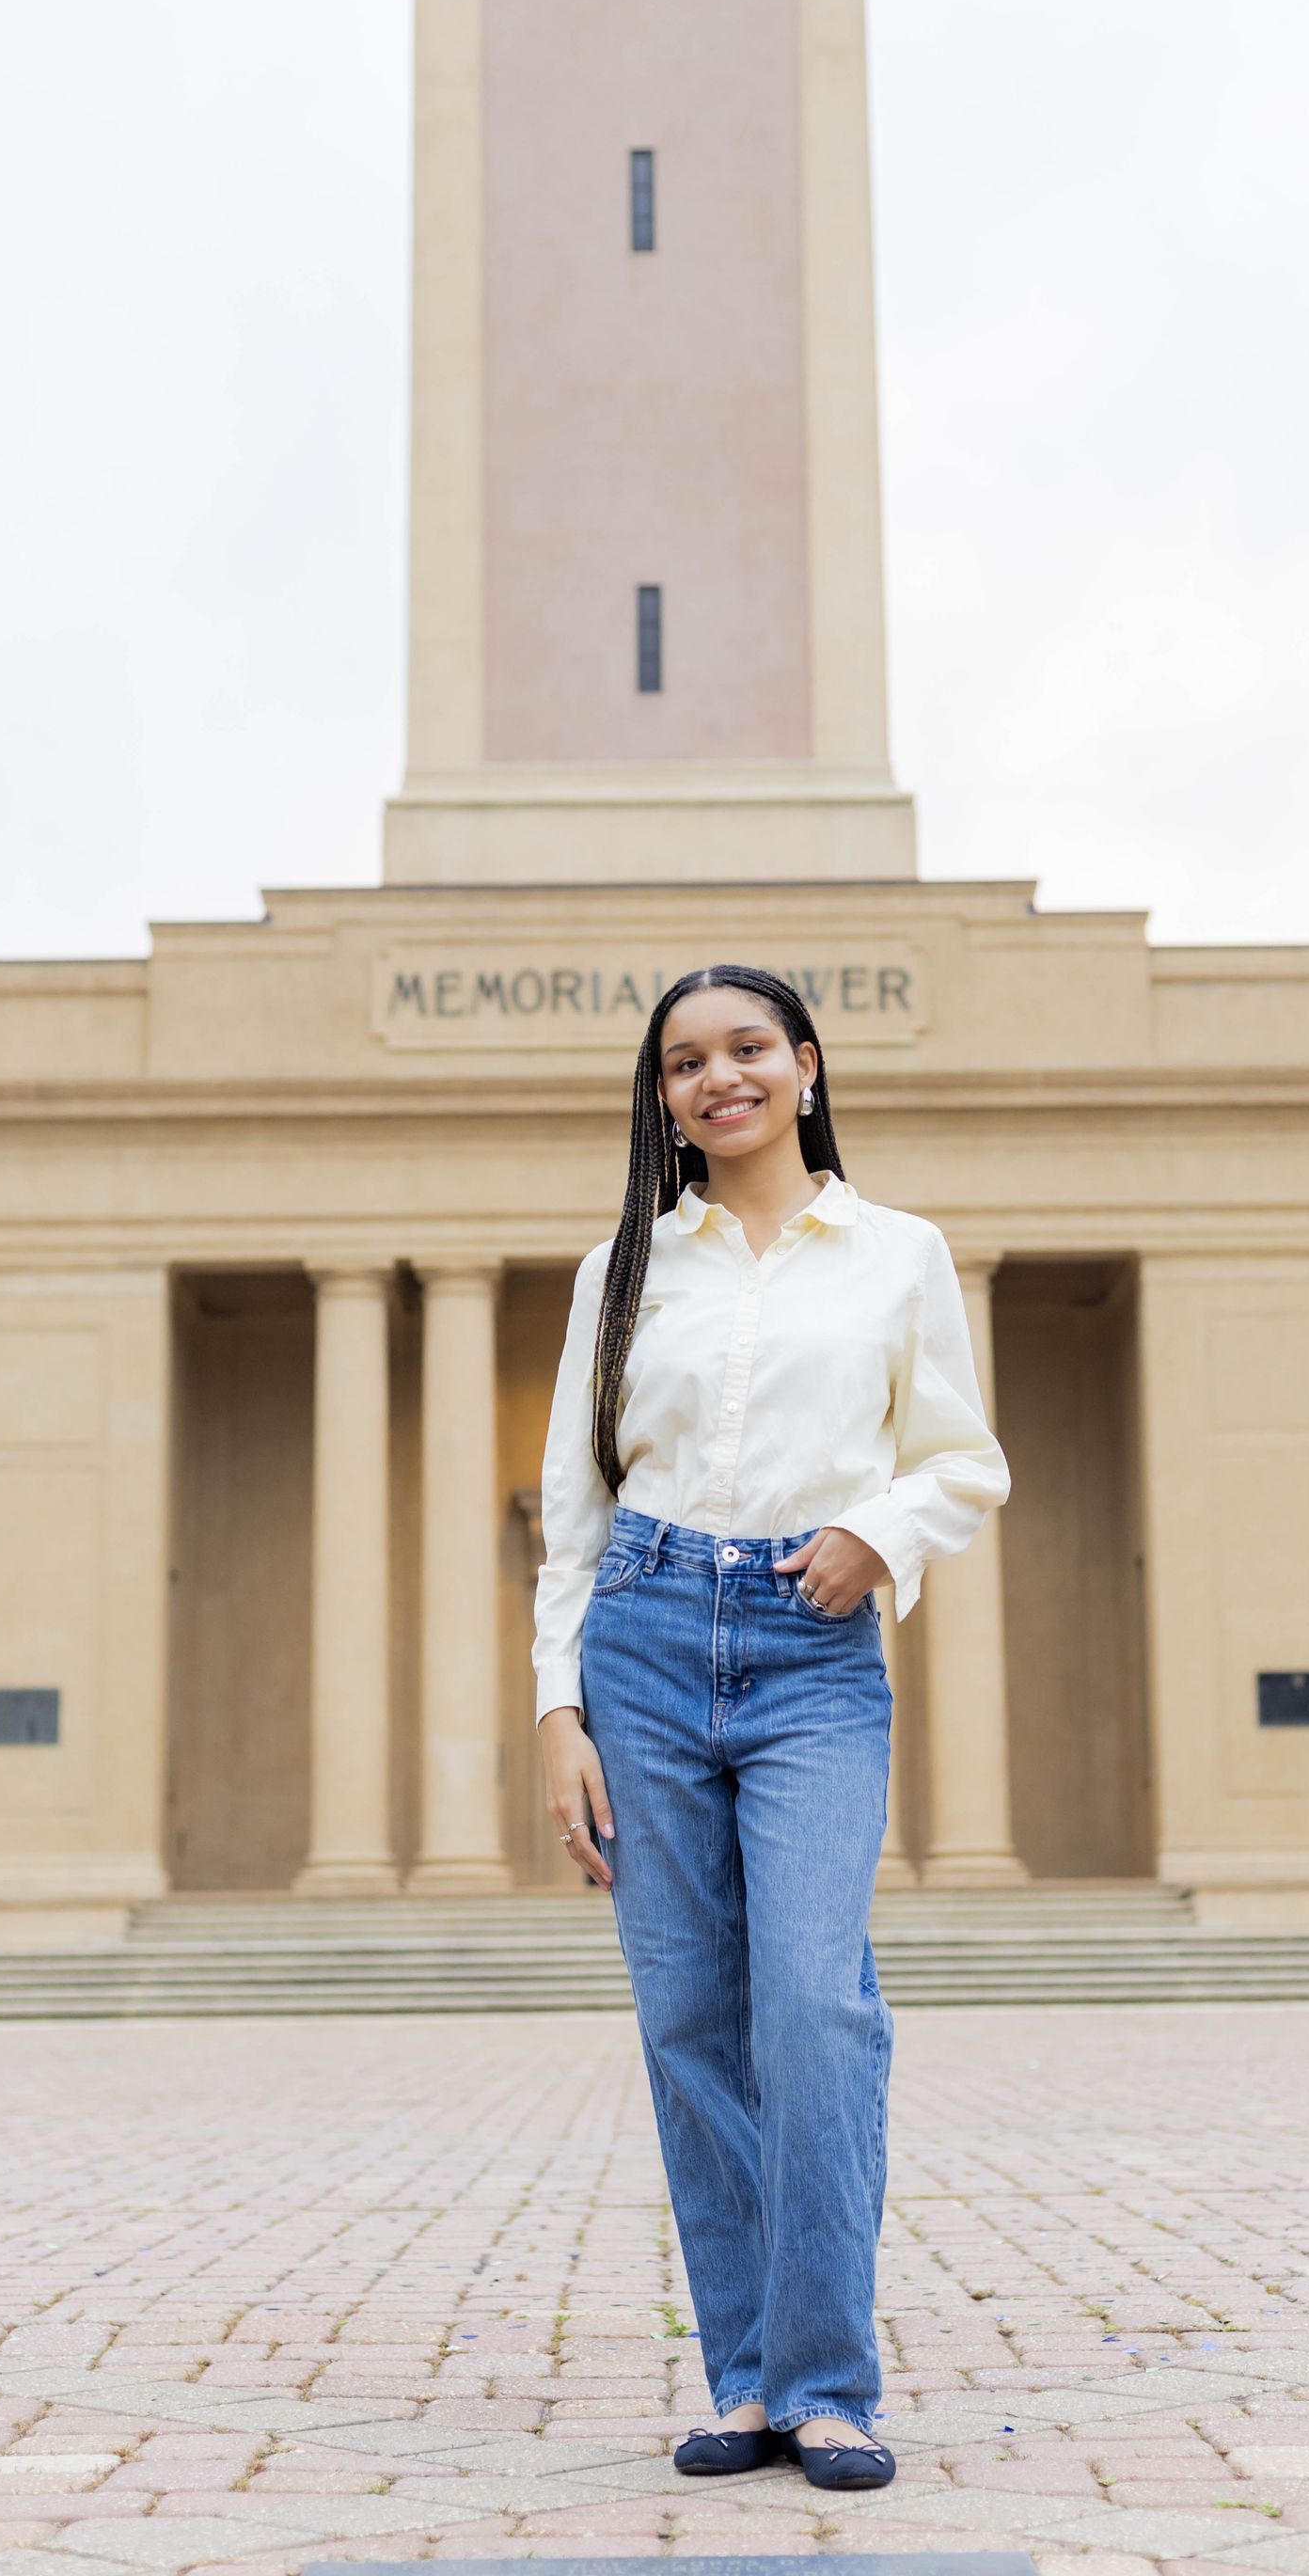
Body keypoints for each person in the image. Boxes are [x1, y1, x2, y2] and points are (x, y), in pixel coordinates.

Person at [533, 962, 1010, 2491]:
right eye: (684, 1062)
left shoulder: (896, 1253)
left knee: (812, 2004)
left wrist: (882, 1530)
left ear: (805, 1063)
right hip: (648, 1637)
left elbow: (963, 1458)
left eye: (746, 1048)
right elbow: (575, 1513)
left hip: (812, 1648)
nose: (715, 1079)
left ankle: (830, 2380)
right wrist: (560, 1707)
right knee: (687, 2021)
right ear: (661, 1094)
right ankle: (749, 2381)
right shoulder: (621, 1269)